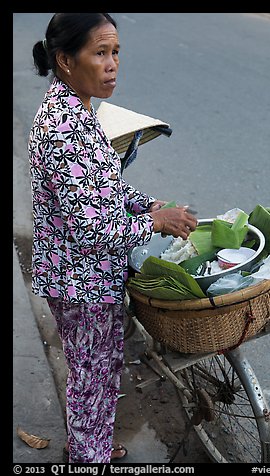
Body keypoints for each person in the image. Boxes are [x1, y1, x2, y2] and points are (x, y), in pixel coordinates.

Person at [29, 13, 197, 464]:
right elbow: (94, 226)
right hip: (79, 280)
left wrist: (148, 204)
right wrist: (156, 223)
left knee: (100, 370)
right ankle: (89, 455)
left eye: (116, 52)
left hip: (87, 275)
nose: (112, 64)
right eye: (99, 53)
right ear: (65, 60)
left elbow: (105, 189)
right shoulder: (63, 128)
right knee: (91, 374)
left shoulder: (78, 109)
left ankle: (94, 441)